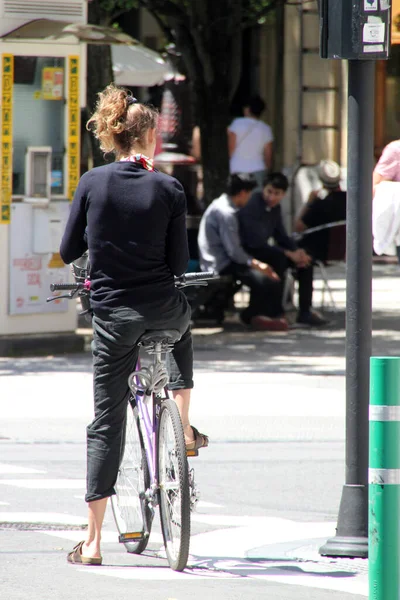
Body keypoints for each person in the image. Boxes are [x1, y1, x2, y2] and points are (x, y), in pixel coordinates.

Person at [59, 84, 208, 566]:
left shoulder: (92, 182)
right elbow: (179, 265)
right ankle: (183, 426)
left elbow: (68, 250)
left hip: (113, 316)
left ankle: (95, 542)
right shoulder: (169, 187)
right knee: (183, 328)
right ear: (150, 139)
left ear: (114, 135)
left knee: (106, 422)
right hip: (161, 306)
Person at [198, 173, 288, 331]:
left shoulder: (224, 205)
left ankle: (264, 315)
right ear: (243, 193)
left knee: (271, 270)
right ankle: (252, 316)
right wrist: (257, 265)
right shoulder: (226, 213)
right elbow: (234, 252)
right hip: (220, 263)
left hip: (226, 258)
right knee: (265, 279)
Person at [238, 172, 328, 327]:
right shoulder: (253, 204)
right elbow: (256, 241)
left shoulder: (275, 208)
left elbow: (281, 236)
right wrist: (288, 253)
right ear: (264, 189)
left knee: (305, 263)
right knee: (278, 259)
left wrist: (297, 252)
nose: (272, 197)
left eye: (277, 194)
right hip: (250, 252)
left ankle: (305, 311)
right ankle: (275, 313)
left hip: (268, 250)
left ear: (283, 194)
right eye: (269, 192)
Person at [294, 159, 347, 263]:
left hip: (319, 252)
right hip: (344, 250)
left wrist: (309, 203)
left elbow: (298, 227)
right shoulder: (351, 200)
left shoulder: (319, 204)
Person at [228, 95, 274, 187]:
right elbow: (268, 155)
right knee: (255, 199)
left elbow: (231, 149)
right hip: (258, 169)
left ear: (247, 109)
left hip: (238, 168)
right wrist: (267, 171)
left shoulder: (236, 124)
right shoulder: (266, 129)